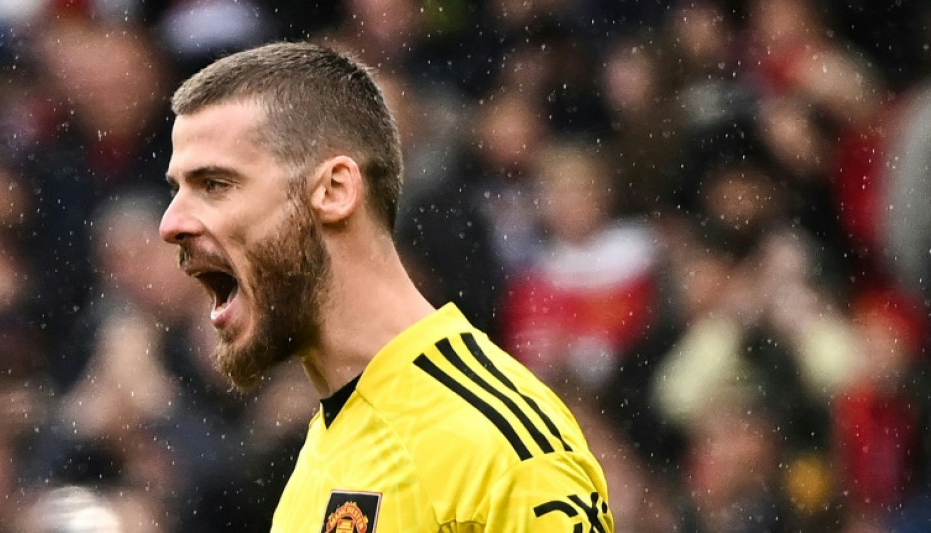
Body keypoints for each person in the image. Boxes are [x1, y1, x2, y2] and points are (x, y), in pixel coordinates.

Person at [158, 41, 615, 532]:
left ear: (335, 190)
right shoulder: (325, 448)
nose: (170, 223)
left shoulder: (497, 449)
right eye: (176, 189)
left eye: (215, 184)